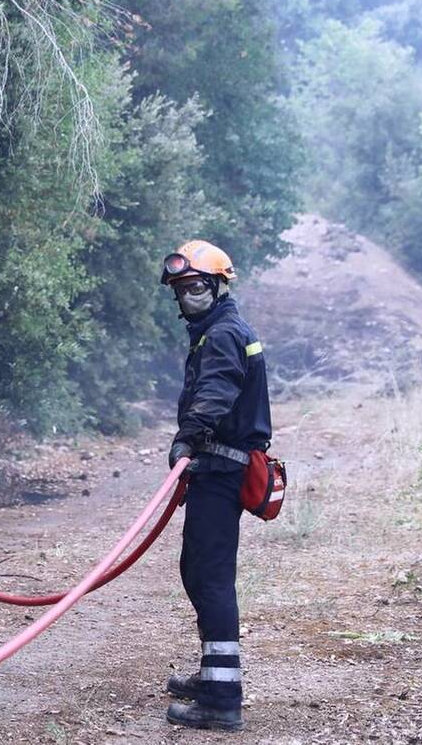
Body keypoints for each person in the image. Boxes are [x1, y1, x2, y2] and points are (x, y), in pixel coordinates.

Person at [160, 240, 272, 732]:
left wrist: (187, 438)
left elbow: (217, 393)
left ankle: (222, 700)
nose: (189, 296)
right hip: (215, 470)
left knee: (210, 577)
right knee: (198, 570)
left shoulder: (224, 334)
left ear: (219, 285)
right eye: (182, 289)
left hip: (223, 471)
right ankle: (213, 676)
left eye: (198, 286)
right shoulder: (217, 330)